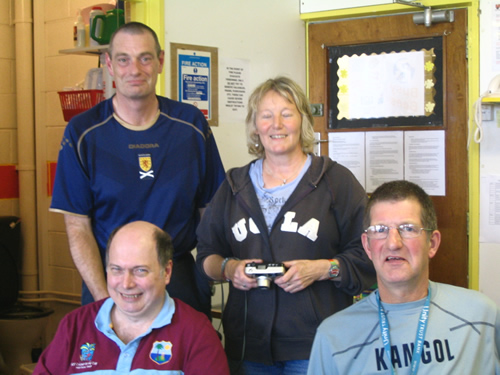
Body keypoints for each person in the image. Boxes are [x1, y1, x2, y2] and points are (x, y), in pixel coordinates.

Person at [196, 76, 376, 374]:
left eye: (287, 114)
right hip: (247, 346)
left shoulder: (335, 181)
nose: (276, 124)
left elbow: (369, 253)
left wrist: (320, 268)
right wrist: (230, 269)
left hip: (315, 345)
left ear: (303, 121)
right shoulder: (233, 185)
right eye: (266, 115)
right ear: (255, 126)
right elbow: (206, 258)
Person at [50, 22, 225, 318]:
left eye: (144, 58)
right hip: (111, 282)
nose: (135, 69)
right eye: (123, 59)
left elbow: (212, 213)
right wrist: (106, 301)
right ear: (109, 64)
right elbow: (77, 228)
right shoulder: (83, 132)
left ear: (159, 62)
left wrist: (208, 274)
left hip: (178, 278)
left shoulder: (191, 125)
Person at [307, 180, 500, 375]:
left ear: (432, 243)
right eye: (380, 230)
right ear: (367, 246)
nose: (393, 243)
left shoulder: (481, 316)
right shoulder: (333, 335)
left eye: (408, 228)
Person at [33, 221, 229, 374]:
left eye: (140, 271)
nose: (126, 283)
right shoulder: (74, 325)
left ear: (167, 271)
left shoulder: (195, 332)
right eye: (116, 269)